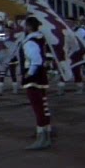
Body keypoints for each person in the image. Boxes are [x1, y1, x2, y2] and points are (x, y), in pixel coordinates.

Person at [20, 17, 53, 150]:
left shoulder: (30, 42)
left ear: (28, 27)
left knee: (38, 107)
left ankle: (42, 137)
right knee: (43, 105)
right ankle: (46, 132)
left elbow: (36, 59)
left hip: (34, 77)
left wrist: (29, 73)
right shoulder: (41, 38)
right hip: (41, 75)